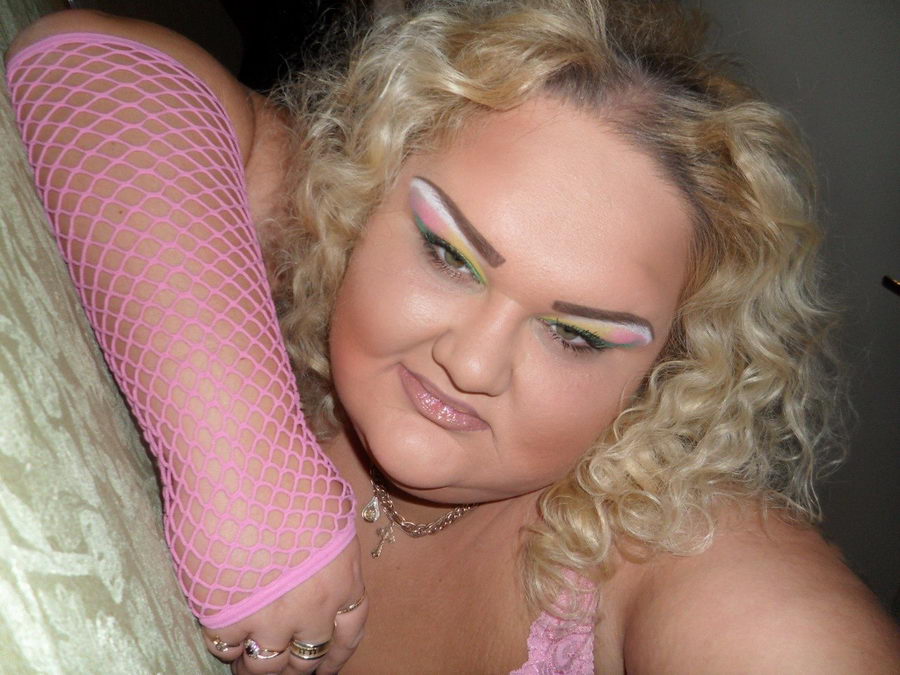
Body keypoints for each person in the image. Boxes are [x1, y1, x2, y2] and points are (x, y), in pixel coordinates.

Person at [6, 0, 899, 673]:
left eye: (576, 335)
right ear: (360, 197)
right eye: (448, 254)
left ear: (664, 374)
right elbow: (91, 62)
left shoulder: (664, 559)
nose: (471, 363)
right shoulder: (328, 244)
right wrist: (247, 480)